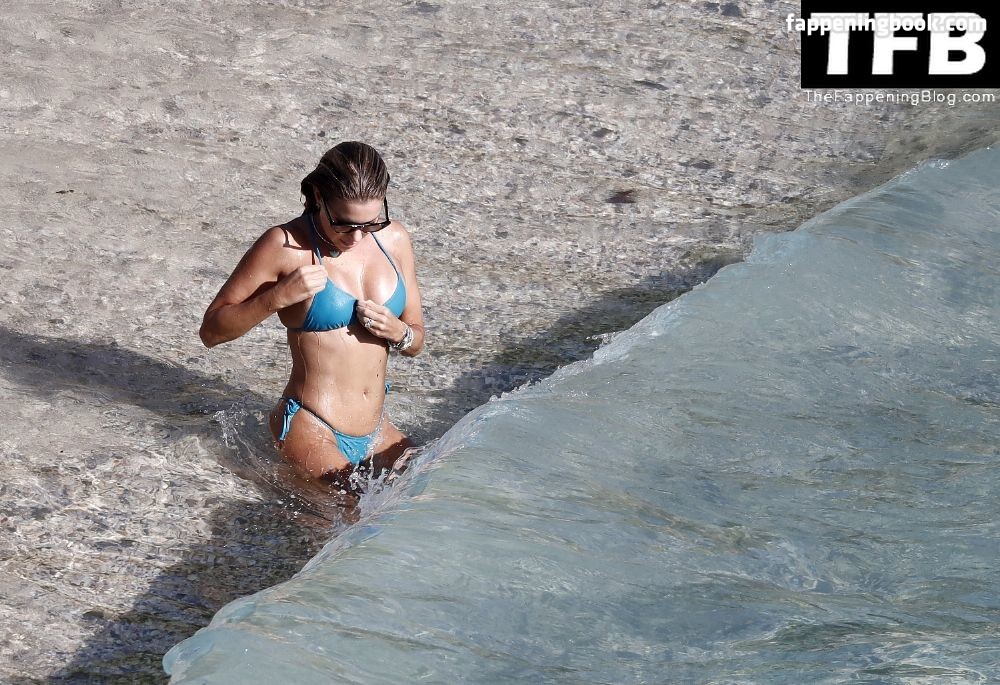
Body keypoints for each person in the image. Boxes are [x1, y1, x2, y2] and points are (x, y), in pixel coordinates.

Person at [199, 141, 424, 489]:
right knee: (355, 511)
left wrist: (401, 334)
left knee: (430, 491)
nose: (357, 237)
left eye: (370, 223)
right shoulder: (285, 245)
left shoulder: (394, 239)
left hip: (378, 430)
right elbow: (211, 331)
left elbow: (417, 339)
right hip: (313, 427)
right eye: (344, 224)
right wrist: (276, 297)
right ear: (318, 197)